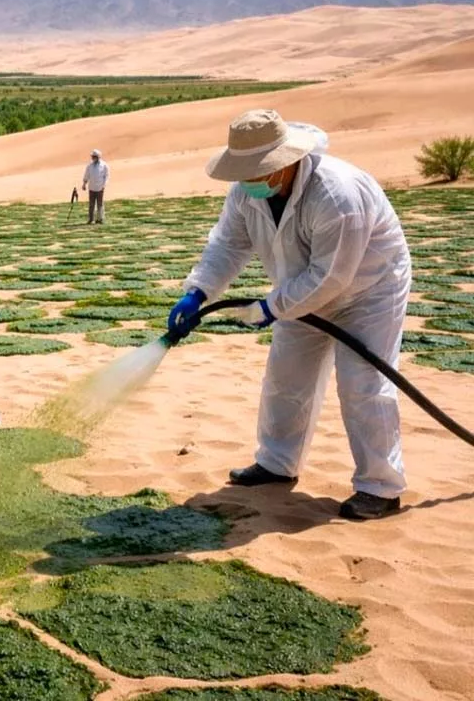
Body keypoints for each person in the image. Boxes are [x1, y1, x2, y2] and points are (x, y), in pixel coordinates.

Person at [167, 109, 413, 521]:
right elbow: (227, 245)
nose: (248, 179)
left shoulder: (336, 195)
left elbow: (332, 276)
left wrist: (271, 307)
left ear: (284, 162)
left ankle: (380, 487)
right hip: (297, 287)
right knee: (286, 376)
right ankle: (277, 463)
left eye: (256, 169)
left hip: (368, 290)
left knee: (363, 383)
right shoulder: (246, 192)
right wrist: (199, 292)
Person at [82, 149, 109, 224]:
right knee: (91, 204)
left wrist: (104, 185)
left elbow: (106, 176)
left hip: (100, 188)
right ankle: (91, 219)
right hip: (92, 188)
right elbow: (86, 175)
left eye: (94, 156)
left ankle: (100, 219)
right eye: (92, 156)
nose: (92, 158)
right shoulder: (89, 165)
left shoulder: (104, 165)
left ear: (98, 157)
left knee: (100, 204)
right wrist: (84, 184)